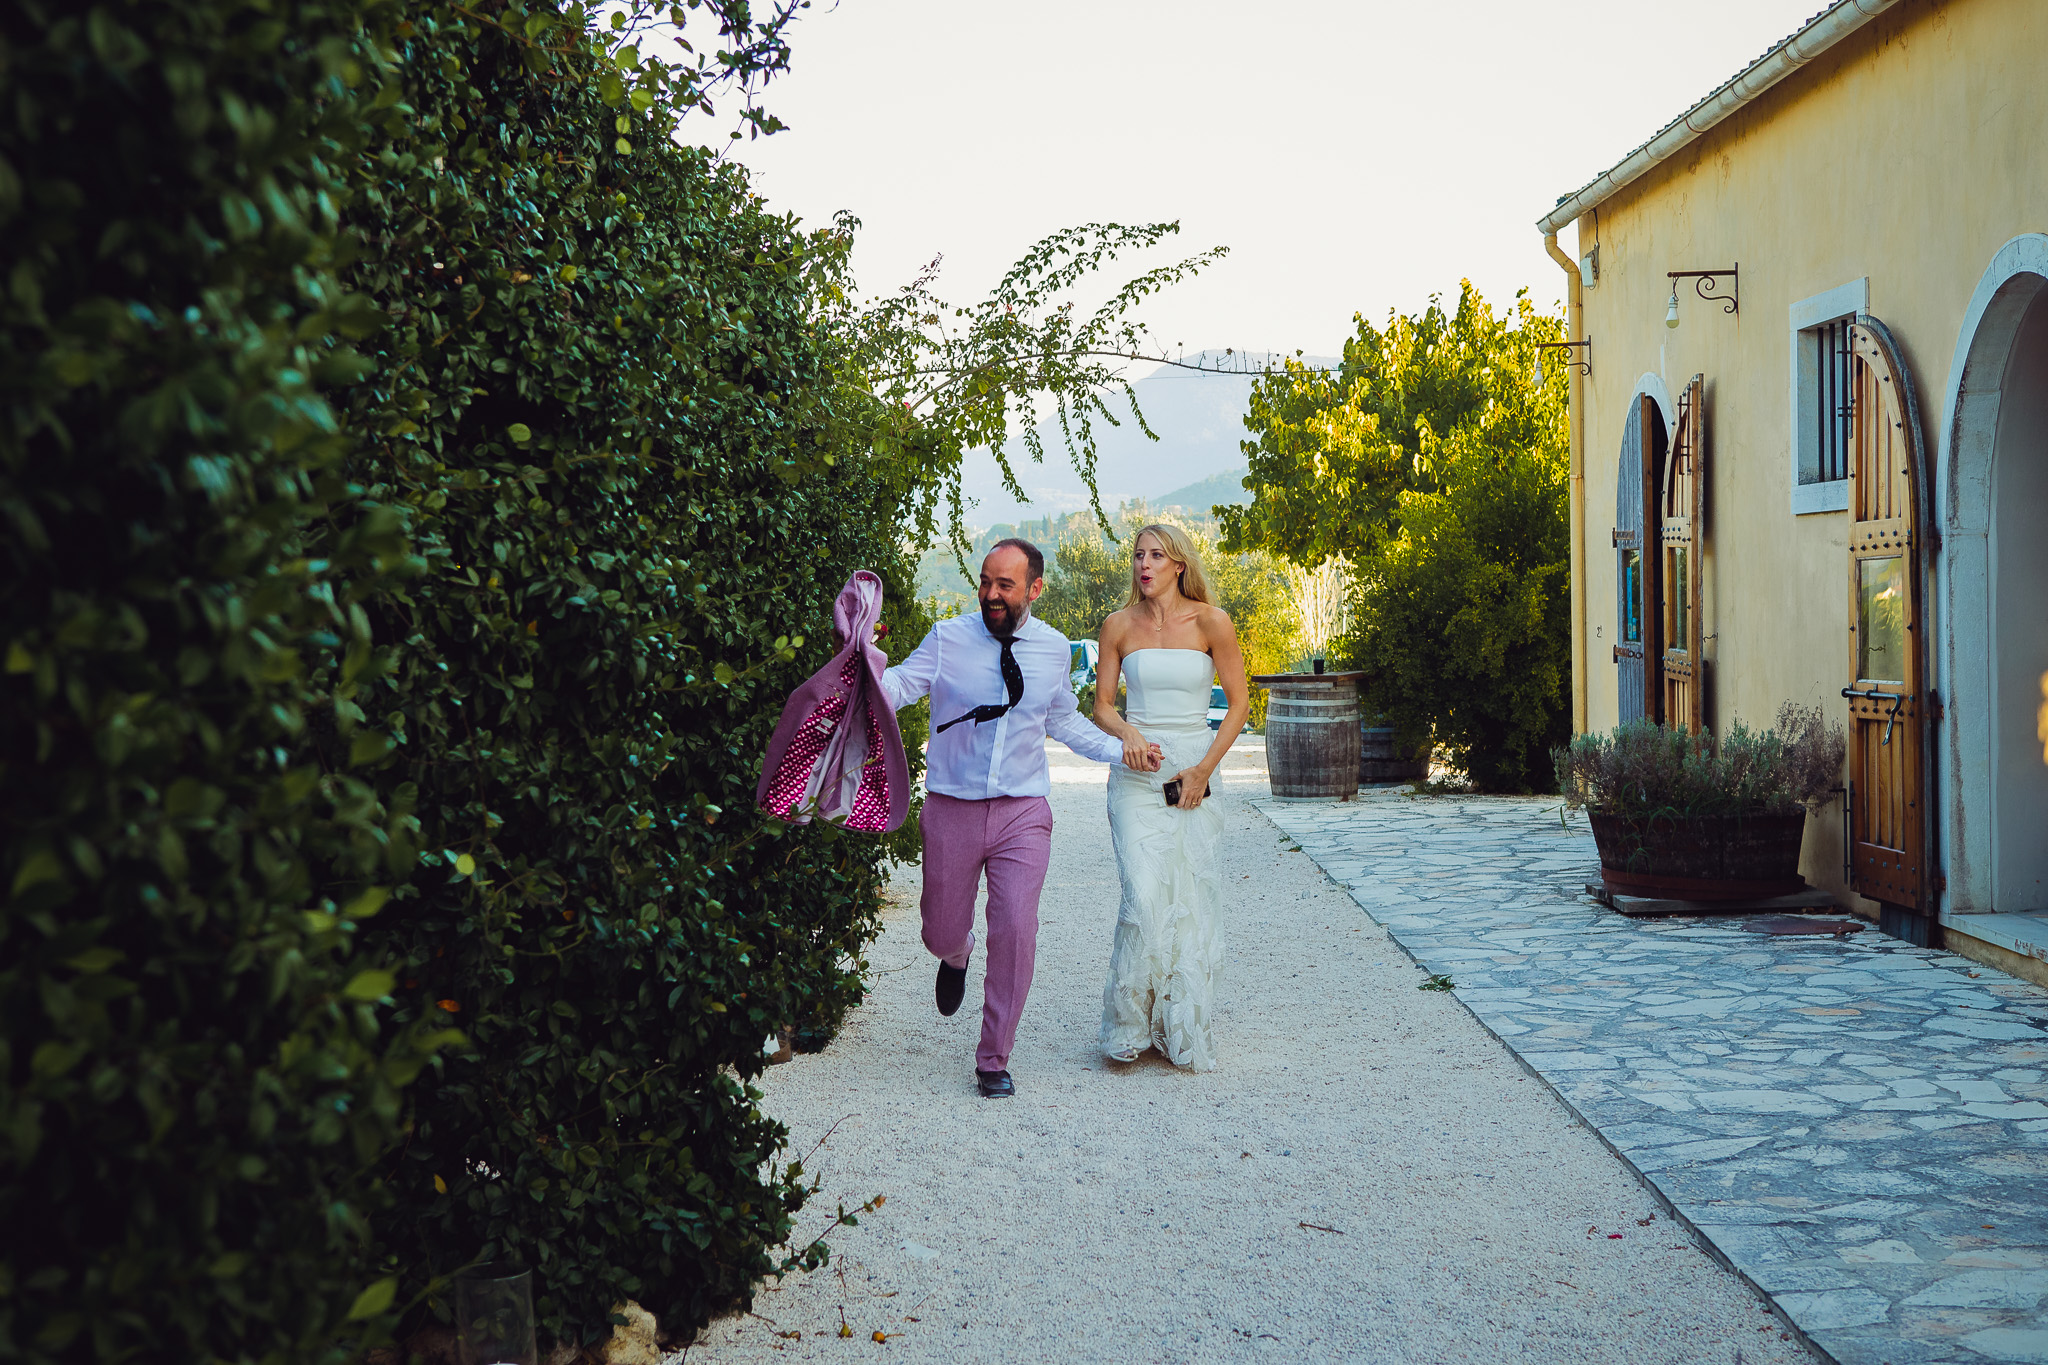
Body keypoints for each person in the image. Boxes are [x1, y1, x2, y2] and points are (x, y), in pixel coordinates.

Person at [882, 538, 1161, 1098]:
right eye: (985, 582)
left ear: (1033, 589)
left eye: (1004, 585)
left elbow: (1064, 720)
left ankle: (993, 1058)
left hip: (1023, 813)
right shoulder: (947, 639)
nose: (990, 594)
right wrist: (862, 670)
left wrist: (1122, 748)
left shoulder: (1054, 649)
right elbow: (897, 689)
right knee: (938, 928)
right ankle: (954, 953)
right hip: (950, 808)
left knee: (1014, 929)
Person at [1089, 523, 1250, 1071]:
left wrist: (1204, 769)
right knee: (1142, 891)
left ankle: (1180, 1024)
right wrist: (1128, 734)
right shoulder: (1117, 626)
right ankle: (1130, 1024)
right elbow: (1103, 706)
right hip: (1137, 775)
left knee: (1189, 897)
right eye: (1138, 556)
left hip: (1194, 771)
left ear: (1179, 564)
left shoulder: (1211, 622)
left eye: (1157, 555)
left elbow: (1238, 707)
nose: (1145, 565)